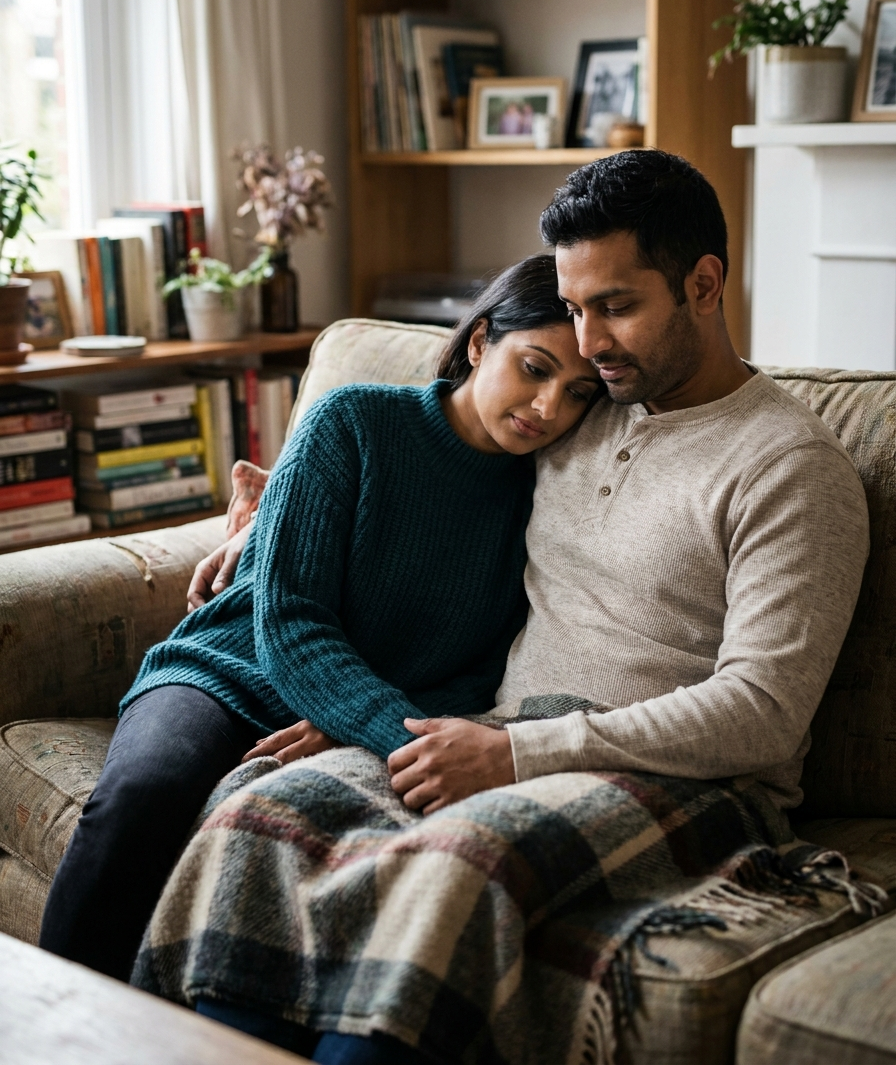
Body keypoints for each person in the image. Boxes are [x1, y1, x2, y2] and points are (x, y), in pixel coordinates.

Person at [156, 150, 870, 1065]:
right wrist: (259, 523)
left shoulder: (790, 467)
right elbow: (414, 475)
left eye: (616, 306)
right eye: (574, 309)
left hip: (687, 780)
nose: (592, 342)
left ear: (703, 282)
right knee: (266, 812)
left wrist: (515, 752)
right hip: (492, 733)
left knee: (455, 862)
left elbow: (765, 715)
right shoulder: (581, 411)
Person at [38, 254, 602, 984]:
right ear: (478, 341)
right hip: (229, 671)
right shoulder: (356, 422)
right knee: (144, 799)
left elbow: (489, 665)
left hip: (356, 713)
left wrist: (347, 723)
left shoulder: (544, 496)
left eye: (578, 392)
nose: (550, 407)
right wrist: (389, 729)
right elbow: (290, 619)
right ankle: (51, 1028)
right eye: (534, 367)